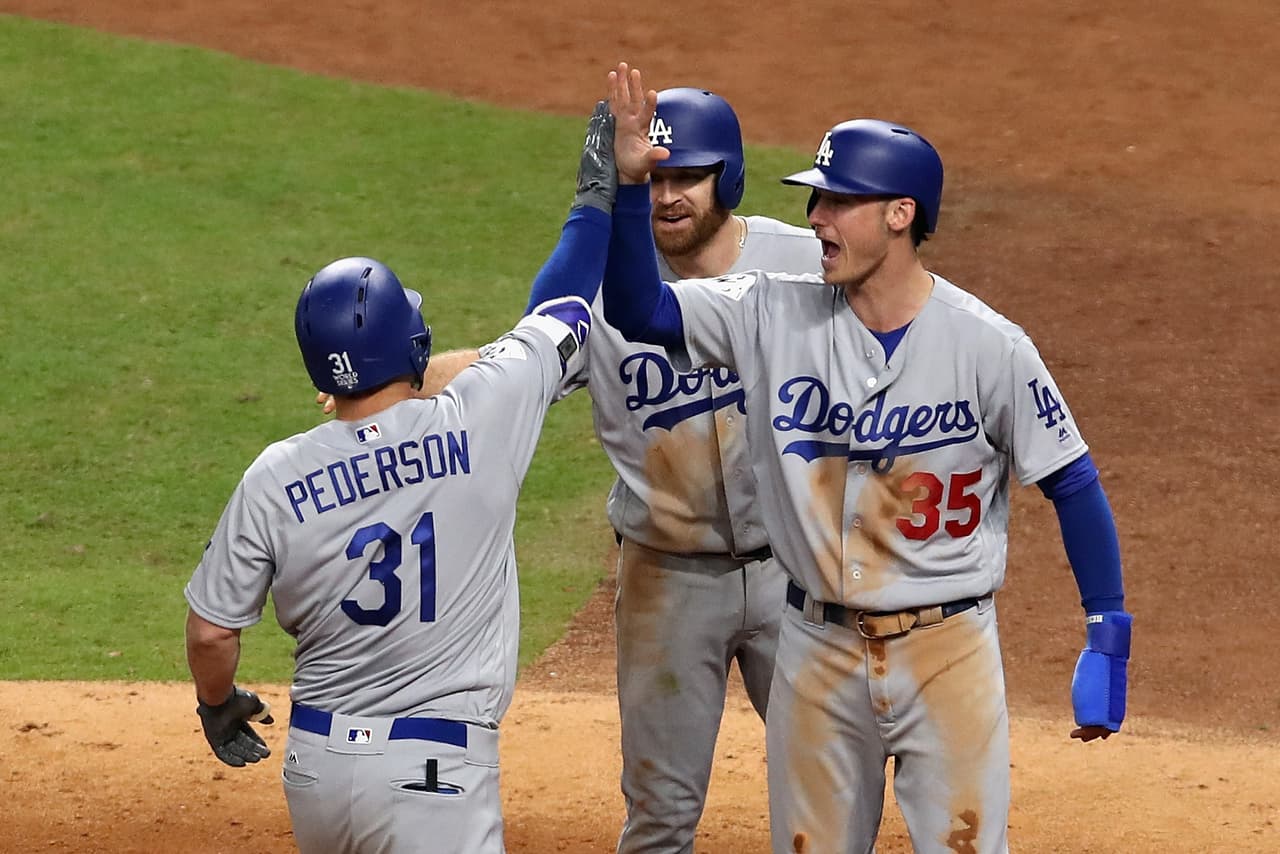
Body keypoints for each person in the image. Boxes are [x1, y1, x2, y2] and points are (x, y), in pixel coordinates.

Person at [599, 63, 1131, 854]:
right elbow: (641, 309)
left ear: (899, 215)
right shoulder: (769, 311)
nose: (816, 217)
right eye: (817, 198)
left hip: (948, 651)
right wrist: (623, 188)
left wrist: (1106, 635)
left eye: (839, 201)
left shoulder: (988, 346)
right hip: (815, 648)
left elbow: (1073, 479)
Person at [333, 85, 821, 852]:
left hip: (793, 574)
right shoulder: (599, 290)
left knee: (825, 792)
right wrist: (385, 381)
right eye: (653, 178)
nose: (668, 196)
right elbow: (505, 368)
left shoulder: (800, 265)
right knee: (660, 814)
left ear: (727, 177)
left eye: (685, 177)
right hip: (668, 582)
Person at [183, 101, 617, 854]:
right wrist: (598, 193)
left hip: (317, 770)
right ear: (410, 343)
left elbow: (213, 631)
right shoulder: (479, 417)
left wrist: (217, 706)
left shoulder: (274, 474)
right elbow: (562, 304)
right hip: (436, 772)